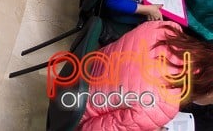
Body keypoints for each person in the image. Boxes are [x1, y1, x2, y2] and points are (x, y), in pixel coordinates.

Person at [78, 21, 213, 130]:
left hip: (80, 70)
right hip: (75, 111)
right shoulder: (163, 107)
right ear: (209, 92)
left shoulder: (167, 29)